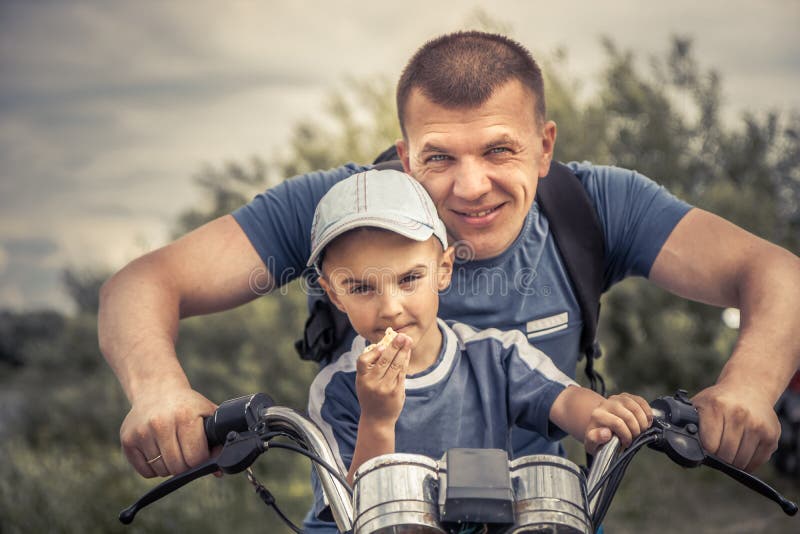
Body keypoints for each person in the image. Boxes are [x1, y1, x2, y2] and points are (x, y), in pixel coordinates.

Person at [98, 31, 800, 481]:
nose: (471, 187)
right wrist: (158, 389)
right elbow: (143, 282)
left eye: (500, 149)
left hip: (543, 512)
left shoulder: (595, 206)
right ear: (405, 156)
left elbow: (775, 273)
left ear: (546, 147)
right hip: (368, 511)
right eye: (438, 158)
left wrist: (747, 385)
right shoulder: (337, 211)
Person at [304, 168, 653, 530]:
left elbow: (564, 399)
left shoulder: (494, 356)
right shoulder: (336, 391)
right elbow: (355, 511)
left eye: (409, 279)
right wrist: (376, 419)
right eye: (361, 288)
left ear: (443, 269)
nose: (390, 307)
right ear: (334, 295)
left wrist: (600, 416)